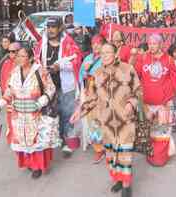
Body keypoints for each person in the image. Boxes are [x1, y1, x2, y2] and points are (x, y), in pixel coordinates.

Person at [70, 43, 142, 197]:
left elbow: (138, 90)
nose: (104, 55)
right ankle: (117, 179)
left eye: (108, 52)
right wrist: (79, 111)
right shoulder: (97, 74)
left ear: (116, 54)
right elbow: (91, 97)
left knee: (125, 154)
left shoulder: (128, 69)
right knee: (111, 154)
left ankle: (127, 185)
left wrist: (131, 103)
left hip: (125, 121)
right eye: (102, 53)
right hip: (107, 122)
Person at [0, 47, 60, 179]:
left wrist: (40, 102)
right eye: (18, 56)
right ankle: (29, 163)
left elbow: (51, 88)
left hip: (36, 114)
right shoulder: (14, 72)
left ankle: (37, 167)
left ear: (30, 58)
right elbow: (9, 91)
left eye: (23, 56)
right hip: (18, 115)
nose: (19, 58)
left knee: (36, 140)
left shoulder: (40, 71)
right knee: (22, 141)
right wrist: (0, 104)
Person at [34, 16, 83, 156]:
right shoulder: (41, 43)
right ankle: (56, 138)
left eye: (53, 27)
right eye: (48, 27)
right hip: (47, 87)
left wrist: (59, 66)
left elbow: (76, 59)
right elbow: (36, 60)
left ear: (60, 27)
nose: (50, 30)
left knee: (67, 113)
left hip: (65, 86)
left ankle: (67, 141)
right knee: (50, 114)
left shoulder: (68, 42)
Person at [134, 34, 176, 164]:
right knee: (150, 130)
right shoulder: (143, 58)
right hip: (147, 104)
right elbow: (135, 76)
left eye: (154, 43)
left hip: (165, 103)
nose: (152, 46)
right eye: (150, 43)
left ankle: (161, 157)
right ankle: (152, 154)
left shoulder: (169, 60)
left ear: (160, 45)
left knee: (162, 131)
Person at [78, 35, 105, 163]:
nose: (95, 46)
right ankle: (98, 149)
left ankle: (109, 146)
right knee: (93, 121)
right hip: (90, 93)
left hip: (104, 94)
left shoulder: (107, 57)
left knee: (106, 120)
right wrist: (86, 72)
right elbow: (81, 76)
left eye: (98, 43)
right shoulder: (88, 58)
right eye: (93, 44)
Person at [0, 42, 21, 144]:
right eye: (9, 52)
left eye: (13, 51)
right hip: (9, 98)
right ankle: (13, 139)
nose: (10, 54)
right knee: (10, 118)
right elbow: (3, 79)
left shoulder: (25, 64)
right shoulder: (6, 63)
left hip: (22, 100)